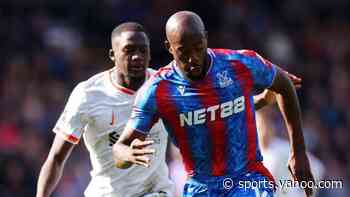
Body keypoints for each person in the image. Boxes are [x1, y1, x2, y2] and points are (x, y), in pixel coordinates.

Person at [112, 11, 315, 197]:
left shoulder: (239, 64)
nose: (193, 59)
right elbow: (120, 149)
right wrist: (127, 154)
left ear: (206, 38)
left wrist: (298, 152)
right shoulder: (157, 91)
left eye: (198, 48)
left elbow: (285, 85)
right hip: (201, 187)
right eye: (183, 52)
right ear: (169, 47)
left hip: (249, 179)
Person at [36, 22, 174, 197]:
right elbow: (56, 158)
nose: (137, 56)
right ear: (112, 55)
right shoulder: (88, 94)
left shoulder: (165, 87)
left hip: (155, 192)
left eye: (143, 50)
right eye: (129, 50)